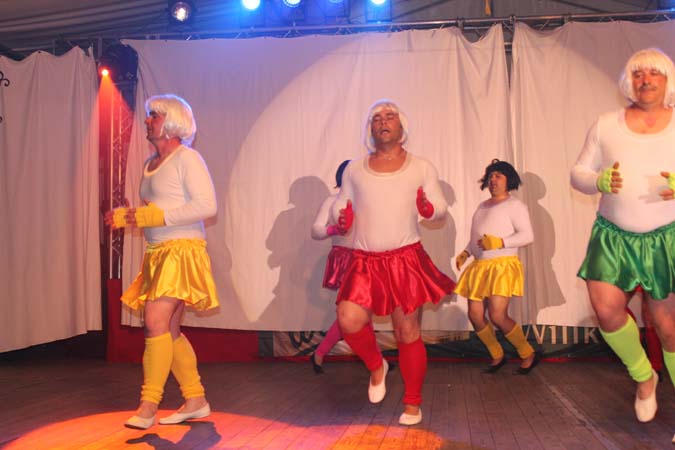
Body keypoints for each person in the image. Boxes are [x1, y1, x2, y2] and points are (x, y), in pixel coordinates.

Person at [331, 99, 455, 426]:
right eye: (376, 118)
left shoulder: (421, 166)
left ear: (402, 127)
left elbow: (440, 207)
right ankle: (377, 366)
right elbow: (340, 203)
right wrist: (340, 217)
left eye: (390, 116)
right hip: (364, 261)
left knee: (407, 331)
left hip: (405, 260)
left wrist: (430, 209)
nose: (383, 121)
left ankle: (413, 404)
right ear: (370, 129)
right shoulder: (355, 169)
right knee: (348, 320)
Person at [570, 48, 675, 427]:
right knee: (607, 312)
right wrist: (597, 180)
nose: (646, 80)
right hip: (612, 237)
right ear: (628, 82)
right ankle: (644, 377)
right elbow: (578, 173)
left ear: (668, 80)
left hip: (666, 240)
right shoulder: (605, 125)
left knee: (669, 329)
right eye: (638, 73)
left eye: (654, 73)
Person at [104, 94, 218, 429]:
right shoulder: (150, 163)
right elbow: (154, 211)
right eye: (148, 114)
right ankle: (196, 399)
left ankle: (148, 405)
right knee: (168, 329)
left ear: (172, 121)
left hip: (181, 251)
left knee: (154, 321)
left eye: (153, 115)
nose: (147, 120)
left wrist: (153, 217)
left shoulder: (188, 158)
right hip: (157, 253)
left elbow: (207, 206)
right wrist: (129, 216)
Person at [454, 159, 537, 374]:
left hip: (502, 266)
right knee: (475, 315)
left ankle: (527, 352)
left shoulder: (515, 206)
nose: (493, 179)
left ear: (509, 180)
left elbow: (527, 236)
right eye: (491, 176)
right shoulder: (482, 206)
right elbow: (477, 238)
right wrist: (466, 252)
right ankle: (497, 354)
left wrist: (500, 242)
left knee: (497, 316)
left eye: (498, 175)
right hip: (480, 266)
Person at [308, 160, 353, 373]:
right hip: (344, 259)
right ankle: (376, 361)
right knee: (353, 312)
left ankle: (319, 353)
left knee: (358, 312)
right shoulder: (332, 201)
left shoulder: (367, 200)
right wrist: (333, 230)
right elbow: (316, 230)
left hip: (366, 259)